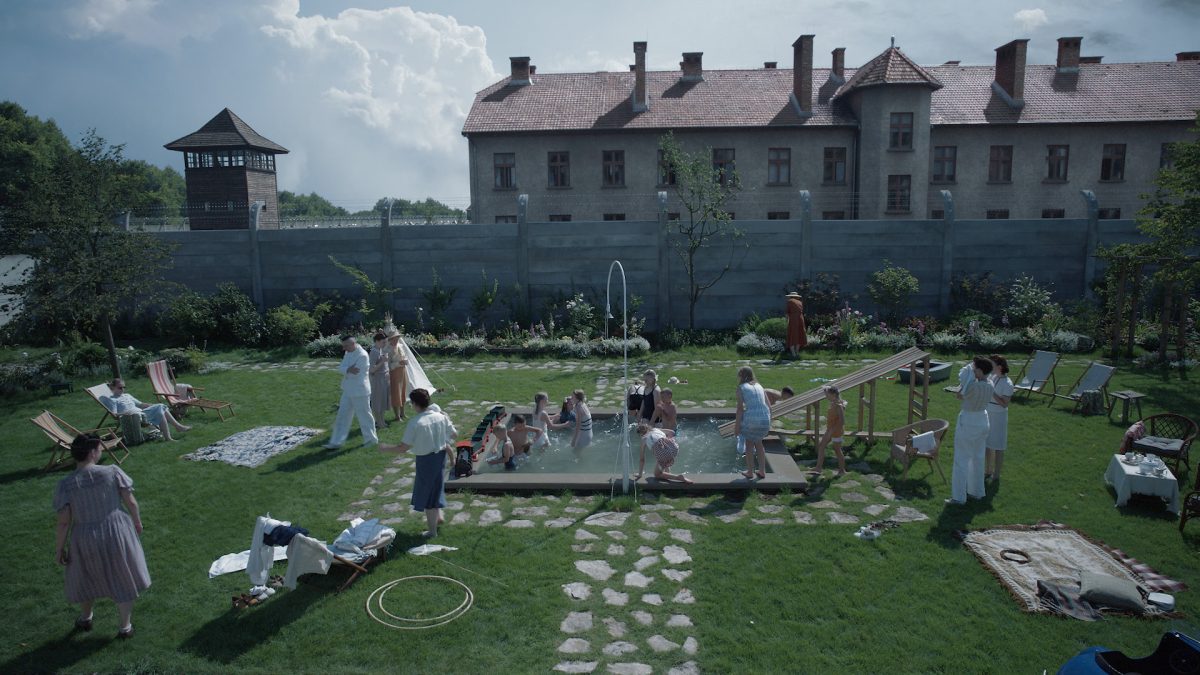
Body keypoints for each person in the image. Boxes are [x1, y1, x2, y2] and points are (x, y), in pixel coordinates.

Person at [54, 433, 150, 639]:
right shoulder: (112, 472)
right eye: (99, 449)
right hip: (116, 530)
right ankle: (125, 627)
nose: (100, 452)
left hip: (84, 536)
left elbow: (64, 522)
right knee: (123, 575)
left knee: (85, 575)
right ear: (91, 452)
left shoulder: (66, 484)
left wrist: (60, 548)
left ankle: (86, 617)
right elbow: (131, 502)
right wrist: (137, 521)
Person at [379, 389, 456, 538]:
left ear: (415, 404)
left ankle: (432, 531)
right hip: (440, 457)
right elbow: (453, 434)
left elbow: (403, 448)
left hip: (426, 461)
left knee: (428, 495)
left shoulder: (415, 422)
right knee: (435, 487)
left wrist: (385, 448)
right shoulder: (441, 417)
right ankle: (438, 516)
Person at [948, 356, 995, 505]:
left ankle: (958, 497)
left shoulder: (972, 386)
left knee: (961, 459)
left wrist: (968, 376)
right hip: (983, 420)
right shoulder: (991, 384)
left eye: (975, 369)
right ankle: (977, 492)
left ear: (980, 371)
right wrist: (971, 375)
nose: (973, 371)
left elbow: (959, 395)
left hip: (969, 421)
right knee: (978, 457)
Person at [324, 335, 378, 449]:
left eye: (345, 346)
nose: (344, 349)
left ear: (352, 344)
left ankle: (371, 440)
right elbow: (341, 368)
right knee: (342, 416)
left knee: (364, 416)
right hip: (348, 390)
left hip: (360, 391)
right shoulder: (348, 353)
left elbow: (356, 373)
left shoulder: (362, 355)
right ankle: (336, 442)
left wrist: (346, 369)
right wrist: (348, 369)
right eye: (343, 346)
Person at [100, 378, 190, 441]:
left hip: (141, 413)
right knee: (160, 409)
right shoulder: (112, 399)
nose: (122, 389)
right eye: (120, 387)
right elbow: (114, 415)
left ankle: (172, 434)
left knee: (160, 406)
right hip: (132, 416)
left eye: (124, 387)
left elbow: (140, 404)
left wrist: (152, 405)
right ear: (113, 387)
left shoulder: (127, 395)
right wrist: (127, 413)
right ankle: (176, 429)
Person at [734, 366, 771, 480]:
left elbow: (740, 409)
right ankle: (762, 471)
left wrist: (737, 427)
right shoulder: (760, 386)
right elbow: (769, 406)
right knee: (759, 443)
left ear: (741, 376)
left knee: (749, 444)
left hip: (752, 419)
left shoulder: (740, 388)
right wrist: (769, 420)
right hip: (765, 418)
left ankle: (750, 472)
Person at [985, 354, 1014, 482]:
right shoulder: (993, 376)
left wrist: (992, 392)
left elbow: (1004, 403)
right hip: (988, 412)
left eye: (993, 364)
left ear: (1000, 367)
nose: (991, 366)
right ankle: (988, 470)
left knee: (998, 445)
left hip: (999, 415)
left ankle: (996, 474)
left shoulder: (1007, 383)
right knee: (987, 444)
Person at [814, 385, 848, 477]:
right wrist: (825, 389)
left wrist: (832, 431)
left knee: (837, 449)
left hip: (836, 431)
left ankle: (842, 470)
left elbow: (842, 421)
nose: (826, 396)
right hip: (830, 430)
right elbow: (844, 402)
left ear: (833, 394)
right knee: (821, 446)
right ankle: (818, 468)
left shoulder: (838, 405)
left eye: (827, 394)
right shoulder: (834, 401)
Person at [385, 323, 410, 422]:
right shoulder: (387, 349)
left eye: (397, 337)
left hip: (402, 371)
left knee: (403, 391)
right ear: (390, 339)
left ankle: (403, 413)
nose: (396, 340)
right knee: (396, 393)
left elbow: (405, 356)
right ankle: (397, 416)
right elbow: (388, 365)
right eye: (394, 338)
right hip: (394, 373)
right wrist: (399, 363)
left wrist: (405, 361)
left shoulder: (400, 346)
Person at [368, 331, 391, 430]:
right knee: (377, 402)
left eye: (385, 342)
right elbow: (372, 369)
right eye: (383, 342)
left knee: (382, 401)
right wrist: (382, 361)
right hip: (377, 379)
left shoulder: (380, 350)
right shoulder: (374, 352)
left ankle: (381, 421)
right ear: (377, 341)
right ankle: (379, 422)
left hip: (384, 378)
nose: (385, 344)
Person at [785, 292, 808, 356]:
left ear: (790, 296)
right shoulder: (800, 302)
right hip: (800, 318)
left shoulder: (789, 301)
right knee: (800, 334)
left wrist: (786, 321)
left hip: (793, 319)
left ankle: (793, 353)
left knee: (792, 334)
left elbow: (787, 312)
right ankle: (797, 352)